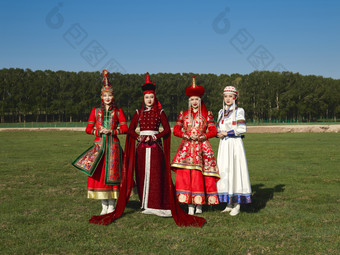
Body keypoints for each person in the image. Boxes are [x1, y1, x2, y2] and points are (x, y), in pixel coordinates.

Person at [88, 73, 206, 227]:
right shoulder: (138, 112)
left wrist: (156, 137)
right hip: (141, 148)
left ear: (154, 97)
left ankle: (157, 205)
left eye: (151, 97)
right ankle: (144, 204)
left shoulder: (160, 112)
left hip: (155, 148)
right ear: (143, 99)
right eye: (146, 97)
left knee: (157, 175)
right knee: (142, 174)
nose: (149, 100)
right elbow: (130, 130)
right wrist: (138, 137)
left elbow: (167, 131)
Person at [72, 69, 128, 215]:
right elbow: (88, 128)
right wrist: (98, 132)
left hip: (114, 148)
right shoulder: (95, 111)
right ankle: (104, 205)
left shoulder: (118, 112)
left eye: (110, 95)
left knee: (114, 176)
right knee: (100, 176)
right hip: (100, 148)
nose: (107, 98)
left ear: (113, 97)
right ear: (101, 97)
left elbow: (125, 128)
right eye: (105, 95)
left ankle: (113, 205)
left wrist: (112, 131)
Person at [171, 76, 220, 215]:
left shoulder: (207, 114)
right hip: (186, 148)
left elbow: (213, 131)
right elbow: (176, 130)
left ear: (200, 100)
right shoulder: (183, 114)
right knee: (186, 175)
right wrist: (186, 135)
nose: (194, 102)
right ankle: (189, 204)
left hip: (202, 148)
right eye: (192, 99)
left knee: (200, 175)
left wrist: (201, 136)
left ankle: (199, 204)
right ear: (189, 101)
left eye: (196, 100)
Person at [216, 86, 252, 216]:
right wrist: (218, 133)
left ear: (235, 97)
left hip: (235, 145)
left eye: (230, 96)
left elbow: (242, 129)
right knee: (225, 171)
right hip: (224, 146)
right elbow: (217, 128)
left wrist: (227, 132)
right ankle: (229, 203)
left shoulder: (239, 111)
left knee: (235, 171)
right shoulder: (221, 112)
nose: (228, 99)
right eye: (226, 96)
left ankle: (237, 204)